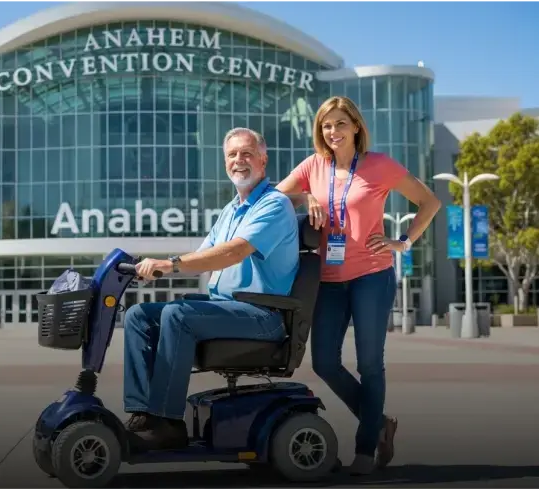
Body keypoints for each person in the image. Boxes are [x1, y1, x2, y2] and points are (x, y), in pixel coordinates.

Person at [276, 96, 441, 475]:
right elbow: (273, 196)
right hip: (328, 281)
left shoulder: (379, 165)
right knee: (325, 363)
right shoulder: (313, 166)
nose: (332, 131)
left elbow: (429, 202)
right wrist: (306, 195)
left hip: (372, 275)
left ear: (355, 127)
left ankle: (365, 448)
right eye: (326, 126)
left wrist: (403, 241)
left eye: (339, 124)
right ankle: (380, 422)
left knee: (370, 364)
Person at [124, 127, 300, 451]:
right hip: (230, 311)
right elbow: (203, 258)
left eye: (246, 153)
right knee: (138, 315)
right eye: (232, 155)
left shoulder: (274, 205)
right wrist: (154, 269)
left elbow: (234, 252)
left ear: (263, 159)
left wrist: (170, 263)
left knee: (179, 315)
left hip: (263, 315)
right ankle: (142, 415)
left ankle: (167, 422)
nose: (239, 161)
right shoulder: (231, 210)